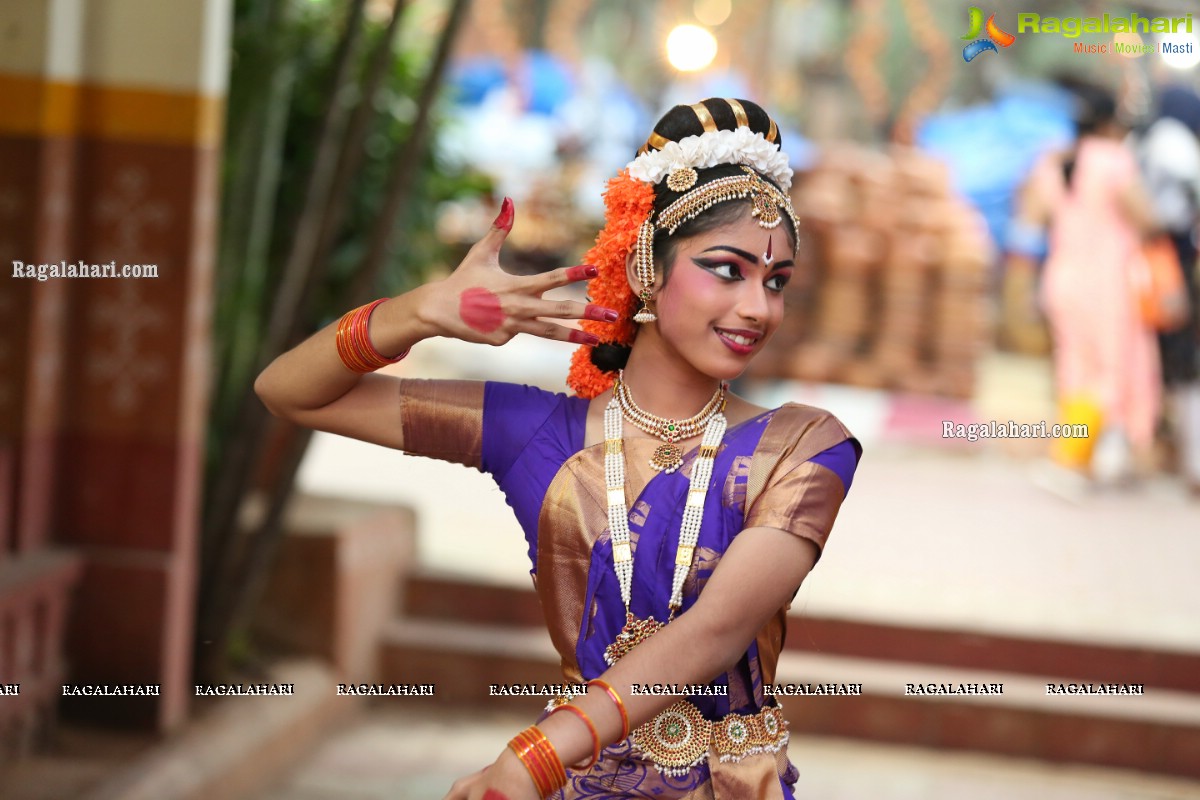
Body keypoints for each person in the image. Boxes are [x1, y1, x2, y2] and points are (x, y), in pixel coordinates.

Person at [256, 97, 861, 800]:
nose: (759, 308)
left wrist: (532, 759)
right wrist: (417, 313)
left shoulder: (805, 447)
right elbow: (289, 391)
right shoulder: (537, 433)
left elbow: (715, 632)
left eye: (776, 280)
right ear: (644, 267)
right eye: (728, 269)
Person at [1010, 80, 1161, 488]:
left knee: (1074, 369)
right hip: (1107, 283)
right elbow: (1145, 217)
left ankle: (1083, 457)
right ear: (1111, 122)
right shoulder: (1113, 159)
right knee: (1112, 371)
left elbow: (1031, 215)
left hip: (1062, 279)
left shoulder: (1054, 159)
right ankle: (1073, 459)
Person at [1137, 84, 1200, 495]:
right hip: (1174, 259)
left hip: (1148, 260)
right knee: (1184, 358)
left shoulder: (1147, 140)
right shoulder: (1177, 143)